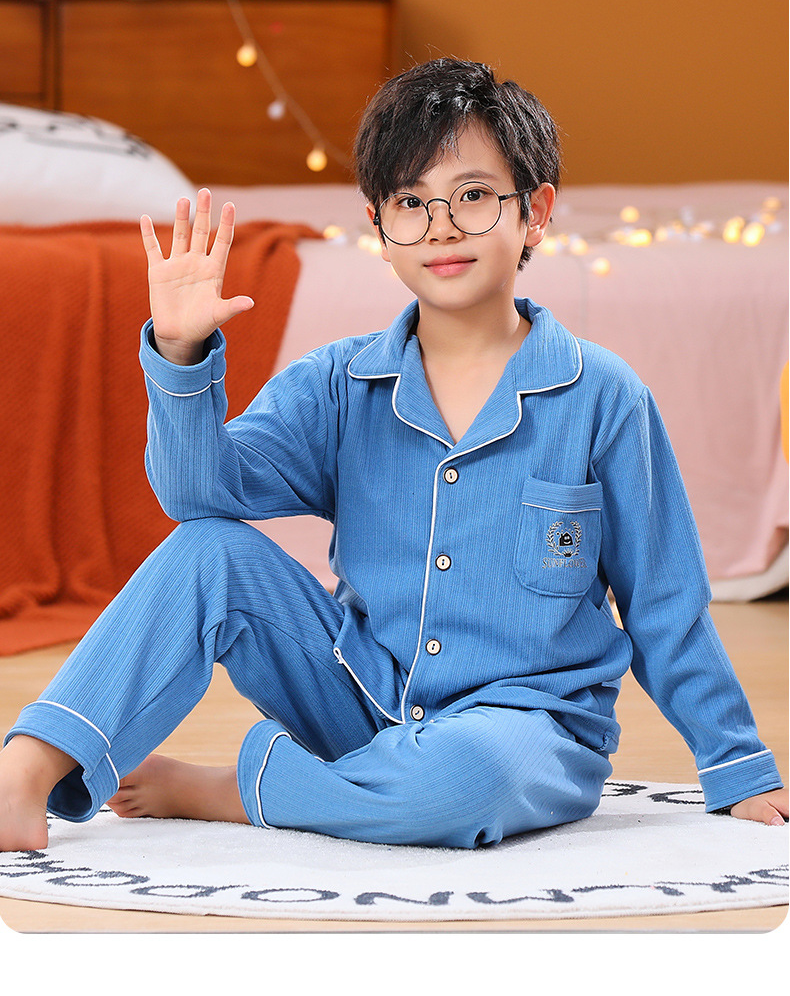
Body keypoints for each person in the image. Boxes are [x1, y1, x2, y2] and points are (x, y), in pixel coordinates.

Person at [1, 58, 786, 853]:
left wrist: (738, 763)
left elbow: (664, 600)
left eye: (473, 196)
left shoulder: (604, 396)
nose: (440, 226)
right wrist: (180, 352)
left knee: (461, 780)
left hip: (525, 734)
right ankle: (24, 774)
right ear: (379, 229)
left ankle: (234, 790)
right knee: (208, 550)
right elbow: (198, 492)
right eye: (411, 202)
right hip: (359, 694)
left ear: (536, 212)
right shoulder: (338, 383)